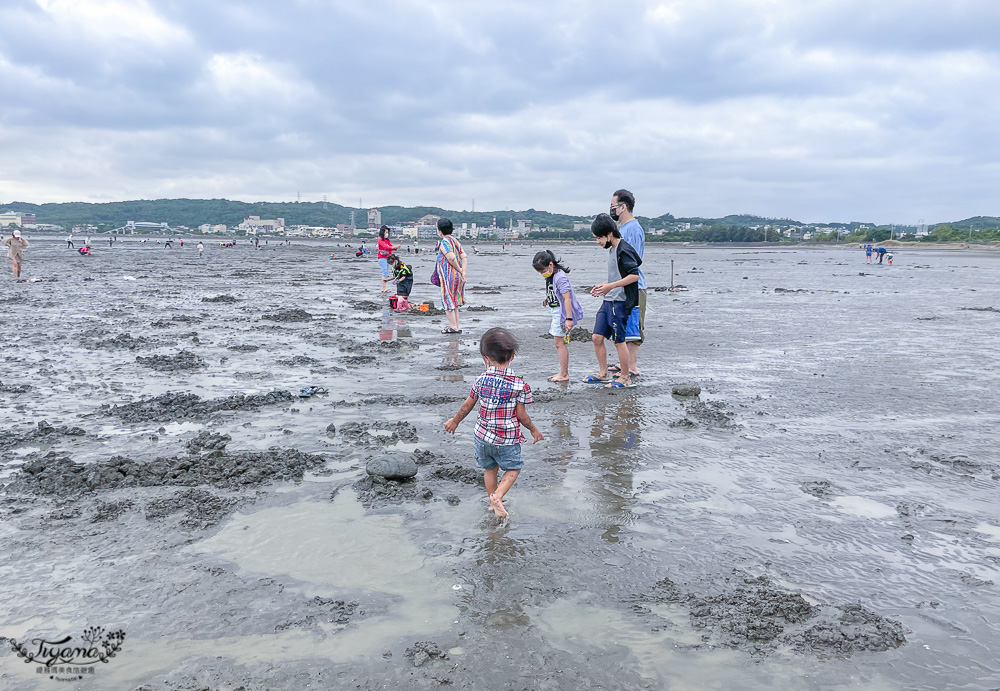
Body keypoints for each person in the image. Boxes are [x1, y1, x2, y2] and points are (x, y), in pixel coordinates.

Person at [444, 327, 543, 519]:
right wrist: (534, 430)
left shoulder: (480, 379)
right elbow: (521, 416)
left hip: (483, 437)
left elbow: (467, 406)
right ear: (512, 356)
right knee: (513, 468)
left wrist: (454, 421)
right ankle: (498, 496)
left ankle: (492, 503)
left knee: (490, 469)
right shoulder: (520, 384)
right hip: (507, 439)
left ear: (485, 358)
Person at [586, 213, 641, 388]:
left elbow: (634, 276)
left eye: (598, 238)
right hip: (609, 300)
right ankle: (603, 374)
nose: (598, 242)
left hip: (620, 301)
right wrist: (602, 286)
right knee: (596, 336)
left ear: (609, 234)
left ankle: (625, 377)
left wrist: (611, 286)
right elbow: (616, 277)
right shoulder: (612, 250)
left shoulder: (623, 249)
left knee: (619, 340)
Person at [532, 250, 583, 382]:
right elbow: (555, 292)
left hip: (561, 312)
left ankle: (564, 373)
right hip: (555, 310)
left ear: (550, 264)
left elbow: (567, 299)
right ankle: (562, 372)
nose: (542, 273)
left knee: (559, 343)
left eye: (543, 270)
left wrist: (569, 319)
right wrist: (547, 298)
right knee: (558, 342)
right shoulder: (551, 276)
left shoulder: (560, 277)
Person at [612, 189, 645, 378]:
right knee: (623, 323)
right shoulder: (622, 229)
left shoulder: (632, 229)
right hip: (622, 284)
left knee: (633, 326)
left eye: (614, 206)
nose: (612, 210)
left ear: (623, 207)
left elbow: (633, 260)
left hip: (633, 285)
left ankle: (631, 365)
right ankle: (624, 362)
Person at [436, 218, 467, 334]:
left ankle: (452, 327)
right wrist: (463, 272)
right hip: (458, 277)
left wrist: (459, 269)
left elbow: (451, 257)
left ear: (440, 231)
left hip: (449, 276)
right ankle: (456, 326)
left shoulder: (445, 242)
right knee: (454, 301)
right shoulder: (455, 241)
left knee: (447, 300)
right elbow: (464, 256)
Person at [377, 225, 401, 292]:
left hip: (388, 258)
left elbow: (390, 246)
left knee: (386, 272)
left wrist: (395, 247)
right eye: (386, 232)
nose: (387, 233)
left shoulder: (386, 240)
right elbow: (386, 247)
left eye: (387, 232)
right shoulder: (380, 239)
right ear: (383, 232)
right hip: (382, 257)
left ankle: (385, 287)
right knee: (384, 272)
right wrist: (394, 247)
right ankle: (384, 288)